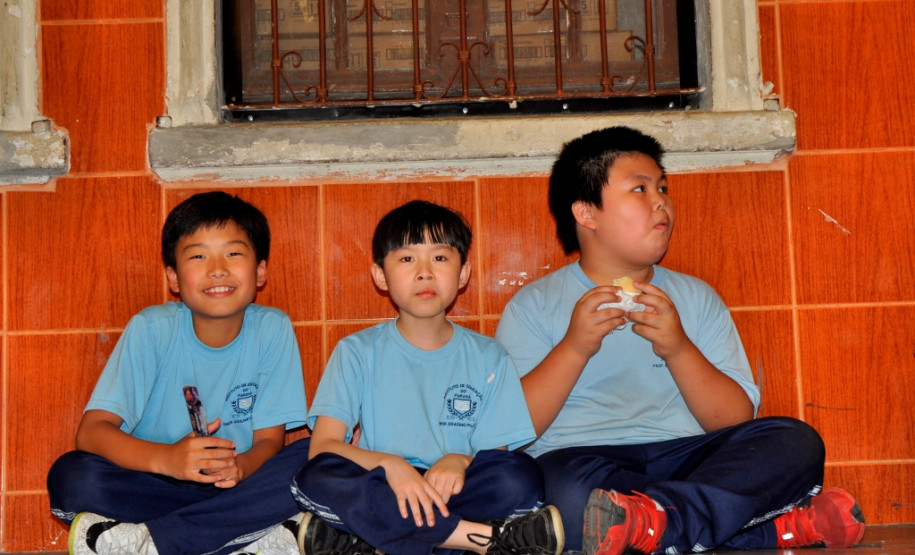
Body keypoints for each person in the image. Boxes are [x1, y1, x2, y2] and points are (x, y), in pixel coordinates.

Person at [495, 127, 866, 555]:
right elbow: (512, 432)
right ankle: (758, 529)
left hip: (690, 458)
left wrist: (678, 348)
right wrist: (575, 347)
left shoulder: (695, 298)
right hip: (586, 464)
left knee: (795, 441)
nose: (661, 202)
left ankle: (651, 524)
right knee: (563, 492)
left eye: (663, 188)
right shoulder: (535, 305)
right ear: (586, 213)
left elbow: (733, 420)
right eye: (639, 188)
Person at [291, 200, 564, 555]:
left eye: (440, 258)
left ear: (463, 273)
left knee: (520, 476)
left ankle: (373, 538)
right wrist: (392, 465)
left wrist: (459, 460)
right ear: (380, 276)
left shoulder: (488, 355)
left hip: (457, 488)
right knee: (317, 476)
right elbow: (323, 446)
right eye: (407, 259)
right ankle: (479, 540)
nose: (424, 272)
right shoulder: (356, 350)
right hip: (385, 485)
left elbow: (494, 454)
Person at [47, 191, 310, 555]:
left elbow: (270, 441)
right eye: (198, 256)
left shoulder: (272, 329)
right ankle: (238, 535)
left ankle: (152, 541)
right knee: (72, 476)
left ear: (260, 270)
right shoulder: (152, 328)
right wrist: (169, 459)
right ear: (173, 277)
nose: (218, 268)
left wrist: (240, 469)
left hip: (235, 486)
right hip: (154, 483)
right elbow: (91, 434)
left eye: (233, 253)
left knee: (316, 457)